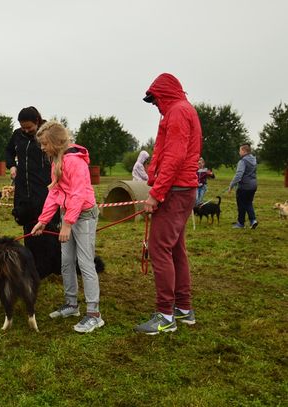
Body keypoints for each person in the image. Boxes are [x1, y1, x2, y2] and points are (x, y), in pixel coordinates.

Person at [135, 73, 202, 335]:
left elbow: (174, 156)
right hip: (183, 189)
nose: (155, 105)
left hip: (175, 190)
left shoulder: (176, 112)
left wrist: (156, 194)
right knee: (175, 249)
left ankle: (165, 315)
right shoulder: (181, 110)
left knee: (159, 248)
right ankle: (183, 309)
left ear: (164, 94)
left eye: (155, 100)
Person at [31, 121, 103, 333]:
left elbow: (78, 195)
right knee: (66, 261)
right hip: (68, 214)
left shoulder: (76, 162)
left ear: (55, 141)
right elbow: (55, 192)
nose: (42, 148)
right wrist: (43, 220)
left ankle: (94, 314)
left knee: (85, 262)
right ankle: (71, 305)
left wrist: (68, 224)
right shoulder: (57, 162)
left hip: (84, 215)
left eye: (44, 144)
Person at [5, 106, 61, 279]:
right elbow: (8, 151)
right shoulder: (17, 135)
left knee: (48, 228)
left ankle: (52, 266)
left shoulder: (47, 134)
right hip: (24, 191)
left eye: (29, 127)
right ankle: (33, 265)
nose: (26, 130)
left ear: (37, 121)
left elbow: (59, 155)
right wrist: (12, 165)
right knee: (29, 228)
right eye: (23, 127)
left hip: (44, 190)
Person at [229, 144, 258, 229]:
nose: (239, 152)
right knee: (248, 203)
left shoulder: (243, 161)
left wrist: (231, 185)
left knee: (241, 205)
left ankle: (240, 223)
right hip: (253, 186)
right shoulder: (254, 160)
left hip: (244, 187)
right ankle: (253, 220)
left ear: (244, 151)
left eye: (240, 150)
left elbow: (239, 174)